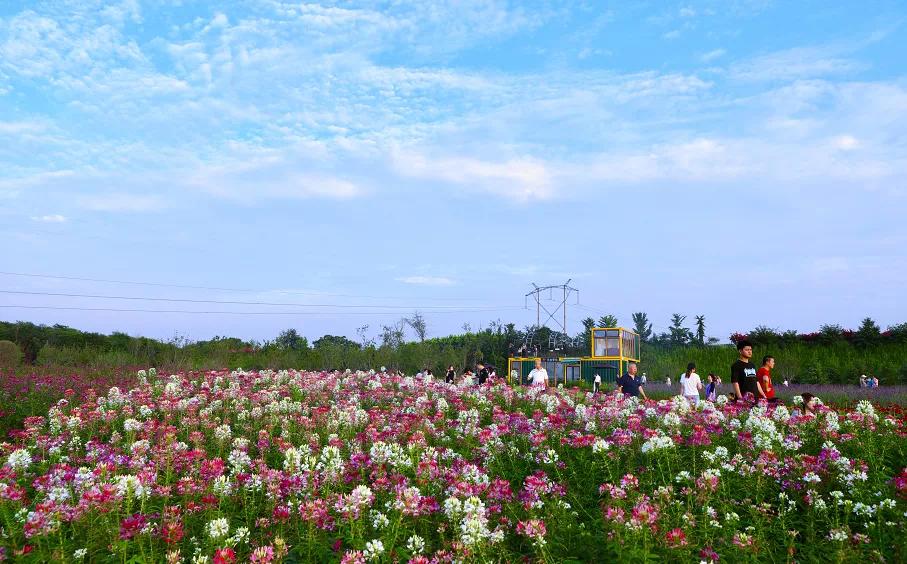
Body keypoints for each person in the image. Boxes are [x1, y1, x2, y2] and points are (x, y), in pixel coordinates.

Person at [730, 339, 764, 403]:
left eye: (750, 350)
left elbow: (756, 382)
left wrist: (763, 395)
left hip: (755, 397)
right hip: (744, 399)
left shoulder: (752, 365)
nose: (749, 352)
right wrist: (740, 398)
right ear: (740, 351)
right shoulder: (736, 365)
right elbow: (735, 382)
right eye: (747, 350)